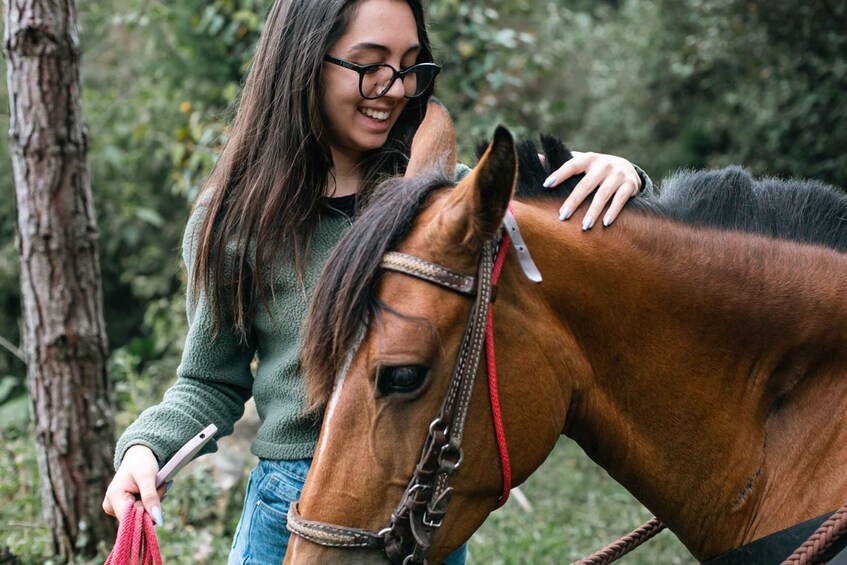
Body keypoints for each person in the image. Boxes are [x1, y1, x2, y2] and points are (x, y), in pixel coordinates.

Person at [101, 0, 652, 563]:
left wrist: (624, 177)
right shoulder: (237, 222)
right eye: (370, 64)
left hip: (411, 503)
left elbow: (567, 244)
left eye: (411, 66)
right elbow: (209, 383)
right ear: (304, 63)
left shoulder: (438, 203)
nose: (393, 89)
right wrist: (147, 448)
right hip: (292, 511)